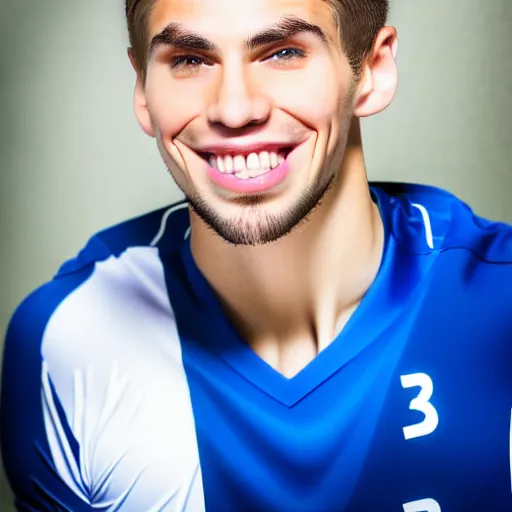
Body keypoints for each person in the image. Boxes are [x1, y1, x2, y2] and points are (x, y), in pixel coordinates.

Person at [1, 0, 511, 510]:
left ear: (373, 70)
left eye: (284, 52)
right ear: (142, 90)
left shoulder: (497, 304)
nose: (235, 109)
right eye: (189, 60)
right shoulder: (71, 341)